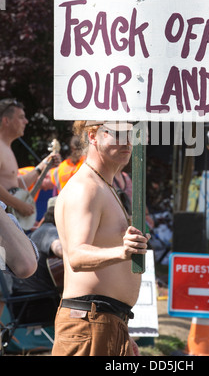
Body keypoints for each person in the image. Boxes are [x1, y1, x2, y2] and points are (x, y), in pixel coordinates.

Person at [51, 121, 150, 357]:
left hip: (104, 321)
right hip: (89, 321)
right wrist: (122, 252)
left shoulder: (103, 186)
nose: (128, 141)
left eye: (132, 134)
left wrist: (122, 331)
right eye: (118, 134)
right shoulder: (87, 187)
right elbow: (75, 255)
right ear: (93, 136)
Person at [0, 98, 60, 223]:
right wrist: (20, 205)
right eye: (21, 117)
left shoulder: (6, 148)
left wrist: (43, 166)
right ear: (6, 120)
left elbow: (15, 185)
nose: (26, 121)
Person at [10, 196, 62, 323]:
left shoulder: (44, 229)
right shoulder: (49, 231)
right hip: (35, 303)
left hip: (28, 301)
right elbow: (60, 249)